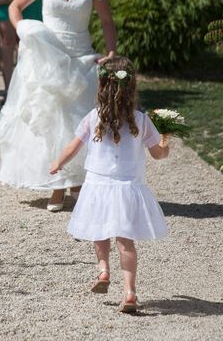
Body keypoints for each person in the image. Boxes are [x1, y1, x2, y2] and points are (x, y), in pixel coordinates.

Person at [0, 0, 117, 211]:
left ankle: (77, 182)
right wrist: (24, 31)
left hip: (81, 56)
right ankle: (57, 186)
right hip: (48, 57)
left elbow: (107, 21)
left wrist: (111, 53)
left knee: (79, 120)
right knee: (50, 119)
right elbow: (15, 7)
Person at [49, 55, 169, 313]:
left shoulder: (94, 118)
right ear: (132, 87)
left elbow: (73, 146)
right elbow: (158, 155)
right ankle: (129, 292)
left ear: (102, 87)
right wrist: (165, 145)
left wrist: (58, 163)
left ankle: (103, 270)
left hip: (97, 186)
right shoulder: (142, 120)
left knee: (99, 231)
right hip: (128, 188)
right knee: (125, 241)